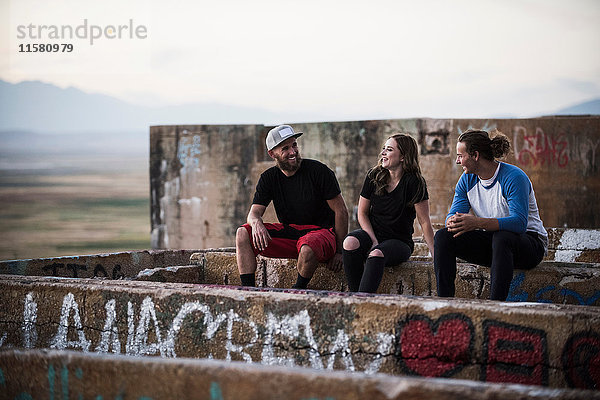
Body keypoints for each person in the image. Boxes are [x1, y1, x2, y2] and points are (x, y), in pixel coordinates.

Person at [434, 129, 548, 301]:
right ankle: (445, 302)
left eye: (460, 155)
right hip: (496, 247)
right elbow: (453, 215)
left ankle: (494, 306)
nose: (457, 161)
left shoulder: (513, 177)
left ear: (475, 155)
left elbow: (519, 223)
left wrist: (477, 223)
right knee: (443, 236)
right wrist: (452, 221)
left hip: (529, 245)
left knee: (502, 238)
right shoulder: (467, 180)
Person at [236, 124, 348, 289]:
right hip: (291, 234)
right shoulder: (268, 178)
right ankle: (248, 291)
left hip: (322, 234)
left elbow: (341, 211)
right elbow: (253, 214)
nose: (293, 151)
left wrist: (339, 252)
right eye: (285, 148)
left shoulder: (319, 171)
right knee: (243, 233)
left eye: (294, 145)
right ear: (272, 153)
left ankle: (298, 290)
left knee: (308, 246)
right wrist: (256, 222)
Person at [342, 133, 434, 293]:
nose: (383, 152)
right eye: (384, 148)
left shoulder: (414, 182)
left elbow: (424, 221)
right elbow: (362, 213)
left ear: (403, 157)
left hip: (399, 242)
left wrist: (435, 254)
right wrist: (373, 239)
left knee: (376, 254)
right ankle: (354, 296)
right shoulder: (374, 175)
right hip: (373, 234)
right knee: (349, 243)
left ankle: (362, 301)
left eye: (389, 149)